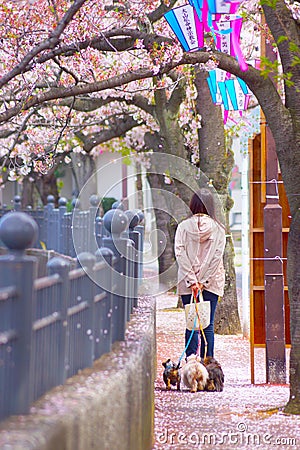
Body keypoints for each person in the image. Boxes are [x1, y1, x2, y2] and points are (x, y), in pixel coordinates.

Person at [174, 188, 226, 360]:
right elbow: (216, 257)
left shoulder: (183, 227)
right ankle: (208, 363)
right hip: (212, 282)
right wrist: (203, 281)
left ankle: (190, 363)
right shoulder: (218, 229)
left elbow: (180, 253)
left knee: (191, 323)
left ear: (192, 205)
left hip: (188, 284)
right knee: (207, 324)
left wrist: (192, 280)